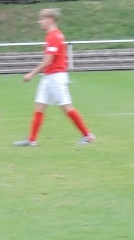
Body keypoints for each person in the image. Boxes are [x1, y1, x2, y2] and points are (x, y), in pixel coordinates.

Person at [14, 8, 94, 147]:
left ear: (50, 19)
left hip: (56, 77)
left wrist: (31, 74)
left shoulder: (54, 36)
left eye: (42, 19)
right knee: (39, 106)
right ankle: (32, 140)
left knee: (66, 106)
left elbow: (48, 60)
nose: (40, 22)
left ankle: (87, 135)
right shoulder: (53, 35)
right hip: (49, 77)